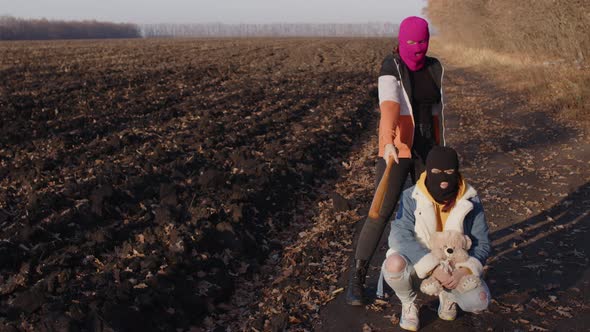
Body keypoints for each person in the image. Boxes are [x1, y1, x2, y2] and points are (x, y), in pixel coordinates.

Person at [346, 16, 447, 305]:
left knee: (432, 211)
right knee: (380, 210)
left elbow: (439, 111)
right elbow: (389, 106)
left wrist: (442, 149)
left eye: (422, 42)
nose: (417, 48)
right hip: (398, 147)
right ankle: (357, 276)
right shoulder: (392, 67)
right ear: (402, 41)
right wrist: (388, 142)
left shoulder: (435, 67)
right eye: (411, 42)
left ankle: (434, 272)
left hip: (429, 149)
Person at [380, 146, 491, 331]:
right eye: (436, 172)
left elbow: (483, 243)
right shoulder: (412, 196)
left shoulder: (470, 199)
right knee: (393, 264)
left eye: (449, 172)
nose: (443, 179)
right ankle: (409, 303)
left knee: (478, 301)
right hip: (422, 261)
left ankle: (449, 295)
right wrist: (433, 267)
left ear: (456, 172)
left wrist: (465, 271)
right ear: (427, 170)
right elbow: (398, 236)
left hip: (456, 265)